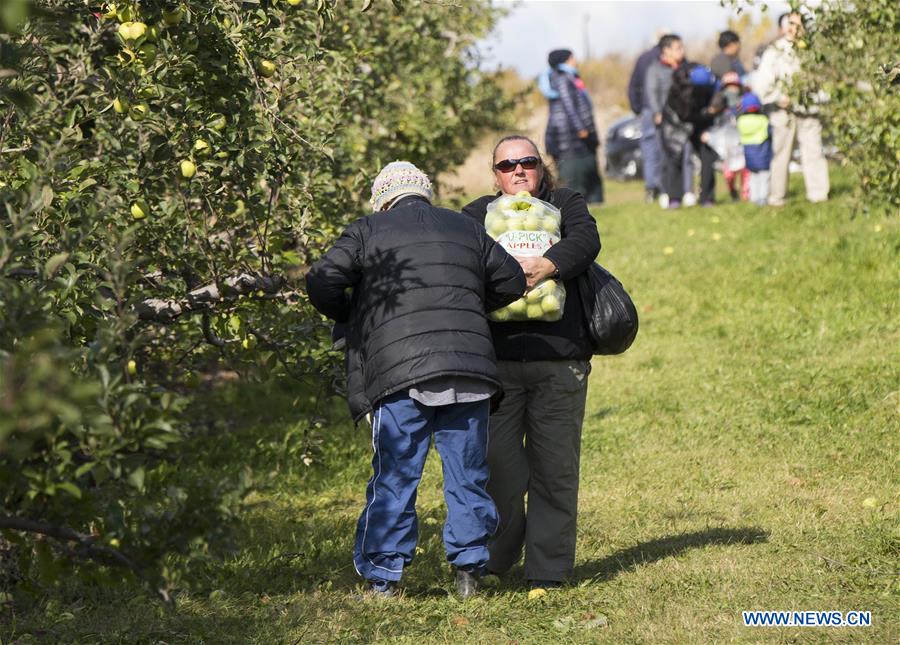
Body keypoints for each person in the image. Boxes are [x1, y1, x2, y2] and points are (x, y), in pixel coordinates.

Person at [305, 161, 526, 598]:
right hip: (468, 370)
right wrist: (467, 303)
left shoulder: (368, 229)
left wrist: (355, 314)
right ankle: (468, 573)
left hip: (400, 373)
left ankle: (384, 578)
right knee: (467, 476)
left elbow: (323, 278)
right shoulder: (466, 227)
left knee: (396, 475)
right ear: (425, 193)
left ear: (382, 200)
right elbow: (512, 279)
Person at [462, 135, 600, 591]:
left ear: (542, 168)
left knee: (554, 468)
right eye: (507, 165)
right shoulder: (476, 214)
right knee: (500, 470)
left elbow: (587, 240)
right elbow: (461, 260)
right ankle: (499, 556)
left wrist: (548, 264)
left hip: (559, 360)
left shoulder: (565, 204)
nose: (518, 170)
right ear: (495, 174)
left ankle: (548, 569)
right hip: (496, 366)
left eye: (527, 162)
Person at [753, 12, 829, 206]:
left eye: (799, 24)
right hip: (783, 112)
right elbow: (762, 84)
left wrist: (818, 98)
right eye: (792, 24)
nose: (796, 28)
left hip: (809, 110)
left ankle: (819, 196)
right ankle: (777, 197)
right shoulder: (775, 51)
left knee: (814, 152)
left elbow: (825, 82)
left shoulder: (813, 51)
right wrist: (778, 98)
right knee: (781, 154)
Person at [540, 49, 604, 204]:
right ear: (566, 60)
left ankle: (594, 202)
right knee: (574, 176)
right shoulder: (563, 78)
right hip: (568, 135)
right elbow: (569, 105)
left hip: (572, 135)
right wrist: (580, 127)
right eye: (573, 57)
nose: (576, 60)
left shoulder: (569, 76)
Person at [659, 61, 720, 207]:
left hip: (702, 119)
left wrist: (711, 112)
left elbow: (717, 100)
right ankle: (674, 198)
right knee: (675, 155)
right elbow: (684, 114)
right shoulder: (680, 88)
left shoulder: (711, 81)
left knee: (708, 154)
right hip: (676, 122)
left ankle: (707, 198)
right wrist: (705, 113)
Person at [627, 39, 663, 202]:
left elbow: (632, 86)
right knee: (663, 148)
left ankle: (651, 187)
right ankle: (662, 186)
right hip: (662, 109)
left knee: (649, 149)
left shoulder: (643, 58)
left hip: (647, 109)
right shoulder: (668, 57)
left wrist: (637, 108)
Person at [737, 92, 773, 205]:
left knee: (753, 177)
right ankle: (763, 198)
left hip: (749, 156)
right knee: (764, 177)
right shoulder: (763, 120)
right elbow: (770, 132)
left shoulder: (740, 121)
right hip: (763, 154)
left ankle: (754, 198)